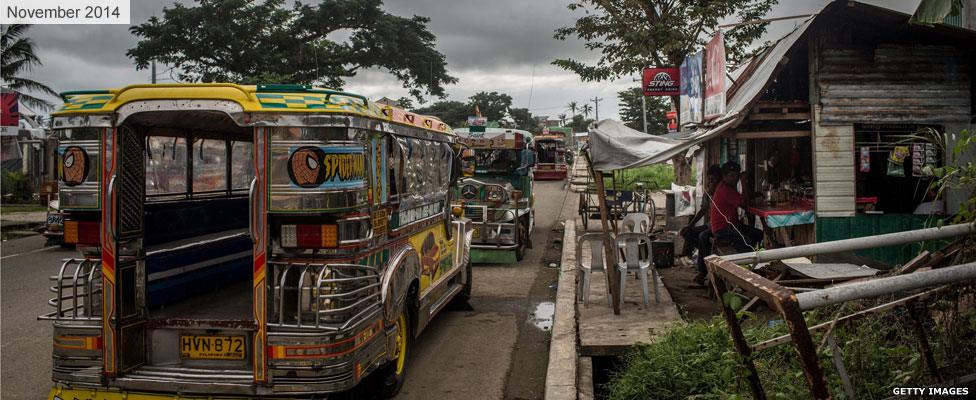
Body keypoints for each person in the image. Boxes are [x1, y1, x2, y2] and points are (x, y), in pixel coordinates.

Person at [696, 161, 764, 285]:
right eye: (731, 176)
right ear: (724, 176)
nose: (735, 178)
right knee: (748, 245)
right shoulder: (725, 189)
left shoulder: (726, 187)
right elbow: (745, 203)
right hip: (724, 229)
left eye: (736, 175)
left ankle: (751, 269)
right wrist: (743, 181)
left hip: (729, 226)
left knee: (758, 233)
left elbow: (743, 200)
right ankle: (751, 278)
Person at [679, 164, 722, 257]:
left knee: (703, 236)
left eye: (714, 180)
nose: (711, 182)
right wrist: (690, 225)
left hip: (719, 227)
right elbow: (703, 210)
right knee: (686, 233)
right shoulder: (708, 193)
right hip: (709, 225)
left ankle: (703, 264)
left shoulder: (723, 193)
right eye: (710, 180)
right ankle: (705, 253)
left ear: (720, 180)